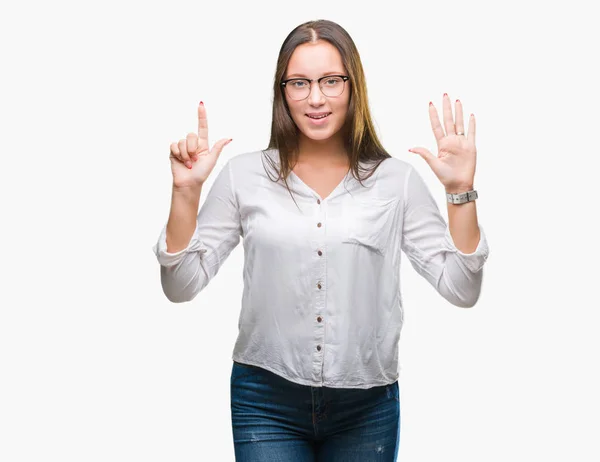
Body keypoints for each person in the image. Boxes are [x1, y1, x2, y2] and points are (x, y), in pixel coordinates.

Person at [152, 18, 489, 462]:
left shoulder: (396, 182)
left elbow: (462, 289)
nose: (315, 98)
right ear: (282, 90)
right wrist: (185, 193)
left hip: (367, 405)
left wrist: (458, 194)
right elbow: (181, 287)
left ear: (353, 86)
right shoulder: (243, 176)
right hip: (264, 399)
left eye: (331, 81)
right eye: (299, 83)